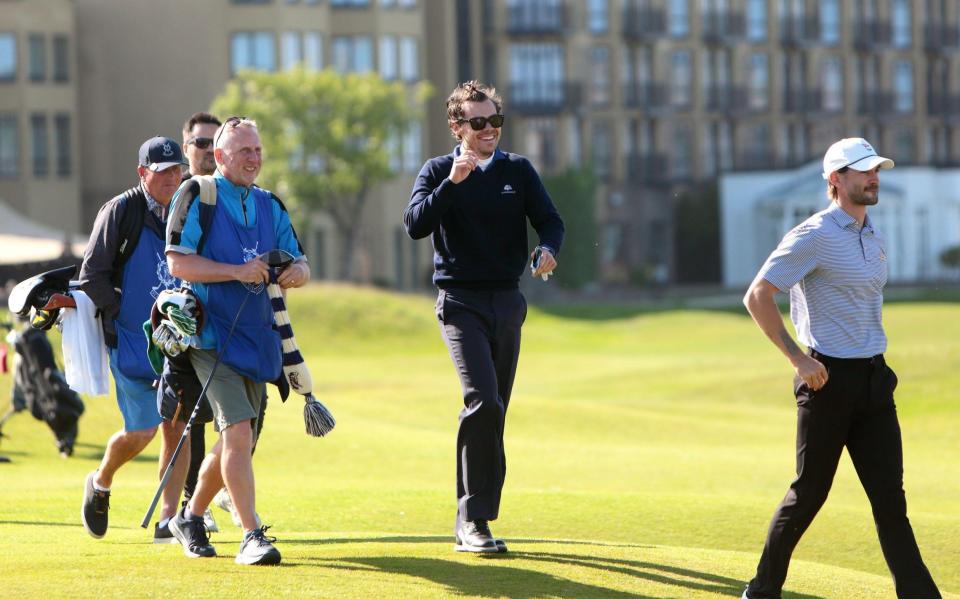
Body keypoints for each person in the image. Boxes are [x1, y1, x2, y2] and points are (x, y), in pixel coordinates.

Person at [741, 138, 941, 599]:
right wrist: (797, 357)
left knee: (891, 502)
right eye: (863, 171)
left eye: (877, 170)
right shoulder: (812, 235)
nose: (874, 177)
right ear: (836, 179)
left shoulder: (873, 233)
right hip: (826, 381)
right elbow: (757, 296)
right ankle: (761, 590)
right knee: (809, 495)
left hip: (874, 381)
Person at [403, 81, 564, 554]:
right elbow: (415, 225)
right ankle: (472, 520)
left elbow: (550, 220)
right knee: (483, 402)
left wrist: (549, 249)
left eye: (495, 120)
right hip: (460, 303)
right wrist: (452, 184)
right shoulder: (437, 171)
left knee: (495, 412)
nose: (489, 129)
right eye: (479, 122)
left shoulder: (518, 170)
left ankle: (479, 519)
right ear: (457, 127)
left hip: (508, 301)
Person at [165, 117, 308, 565]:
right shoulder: (198, 195)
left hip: (260, 340)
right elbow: (178, 264)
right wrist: (236, 271)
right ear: (221, 157)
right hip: (211, 336)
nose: (254, 158)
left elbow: (301, 264)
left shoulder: (270, 205)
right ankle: (251, 535)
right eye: (244, 151)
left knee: (235, 440)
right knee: (238, 432)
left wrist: (294, 273)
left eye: (258, 150)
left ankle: (190, 516)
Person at [78, 136, 188, 539]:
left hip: (176, 342)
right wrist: (123, 312)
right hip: (130, 341)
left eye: (178, 170)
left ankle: (168, 520)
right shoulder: (121, 210)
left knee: (177, 429)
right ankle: (101, 480)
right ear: (143, 173)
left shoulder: (187, 208)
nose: (173, 178)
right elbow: (92, 275)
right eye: (163, 172)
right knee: (143, 430)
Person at [151, 112, 224, 544]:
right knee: (179, 422)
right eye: (200, 144)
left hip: (220, 324)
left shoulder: (227, 197)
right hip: (178, 323)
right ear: (187, 149)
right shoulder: (182, 195)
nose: (208, 151)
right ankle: (176, 513)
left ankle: (199, 504)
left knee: (228, 422)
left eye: (216, 144)